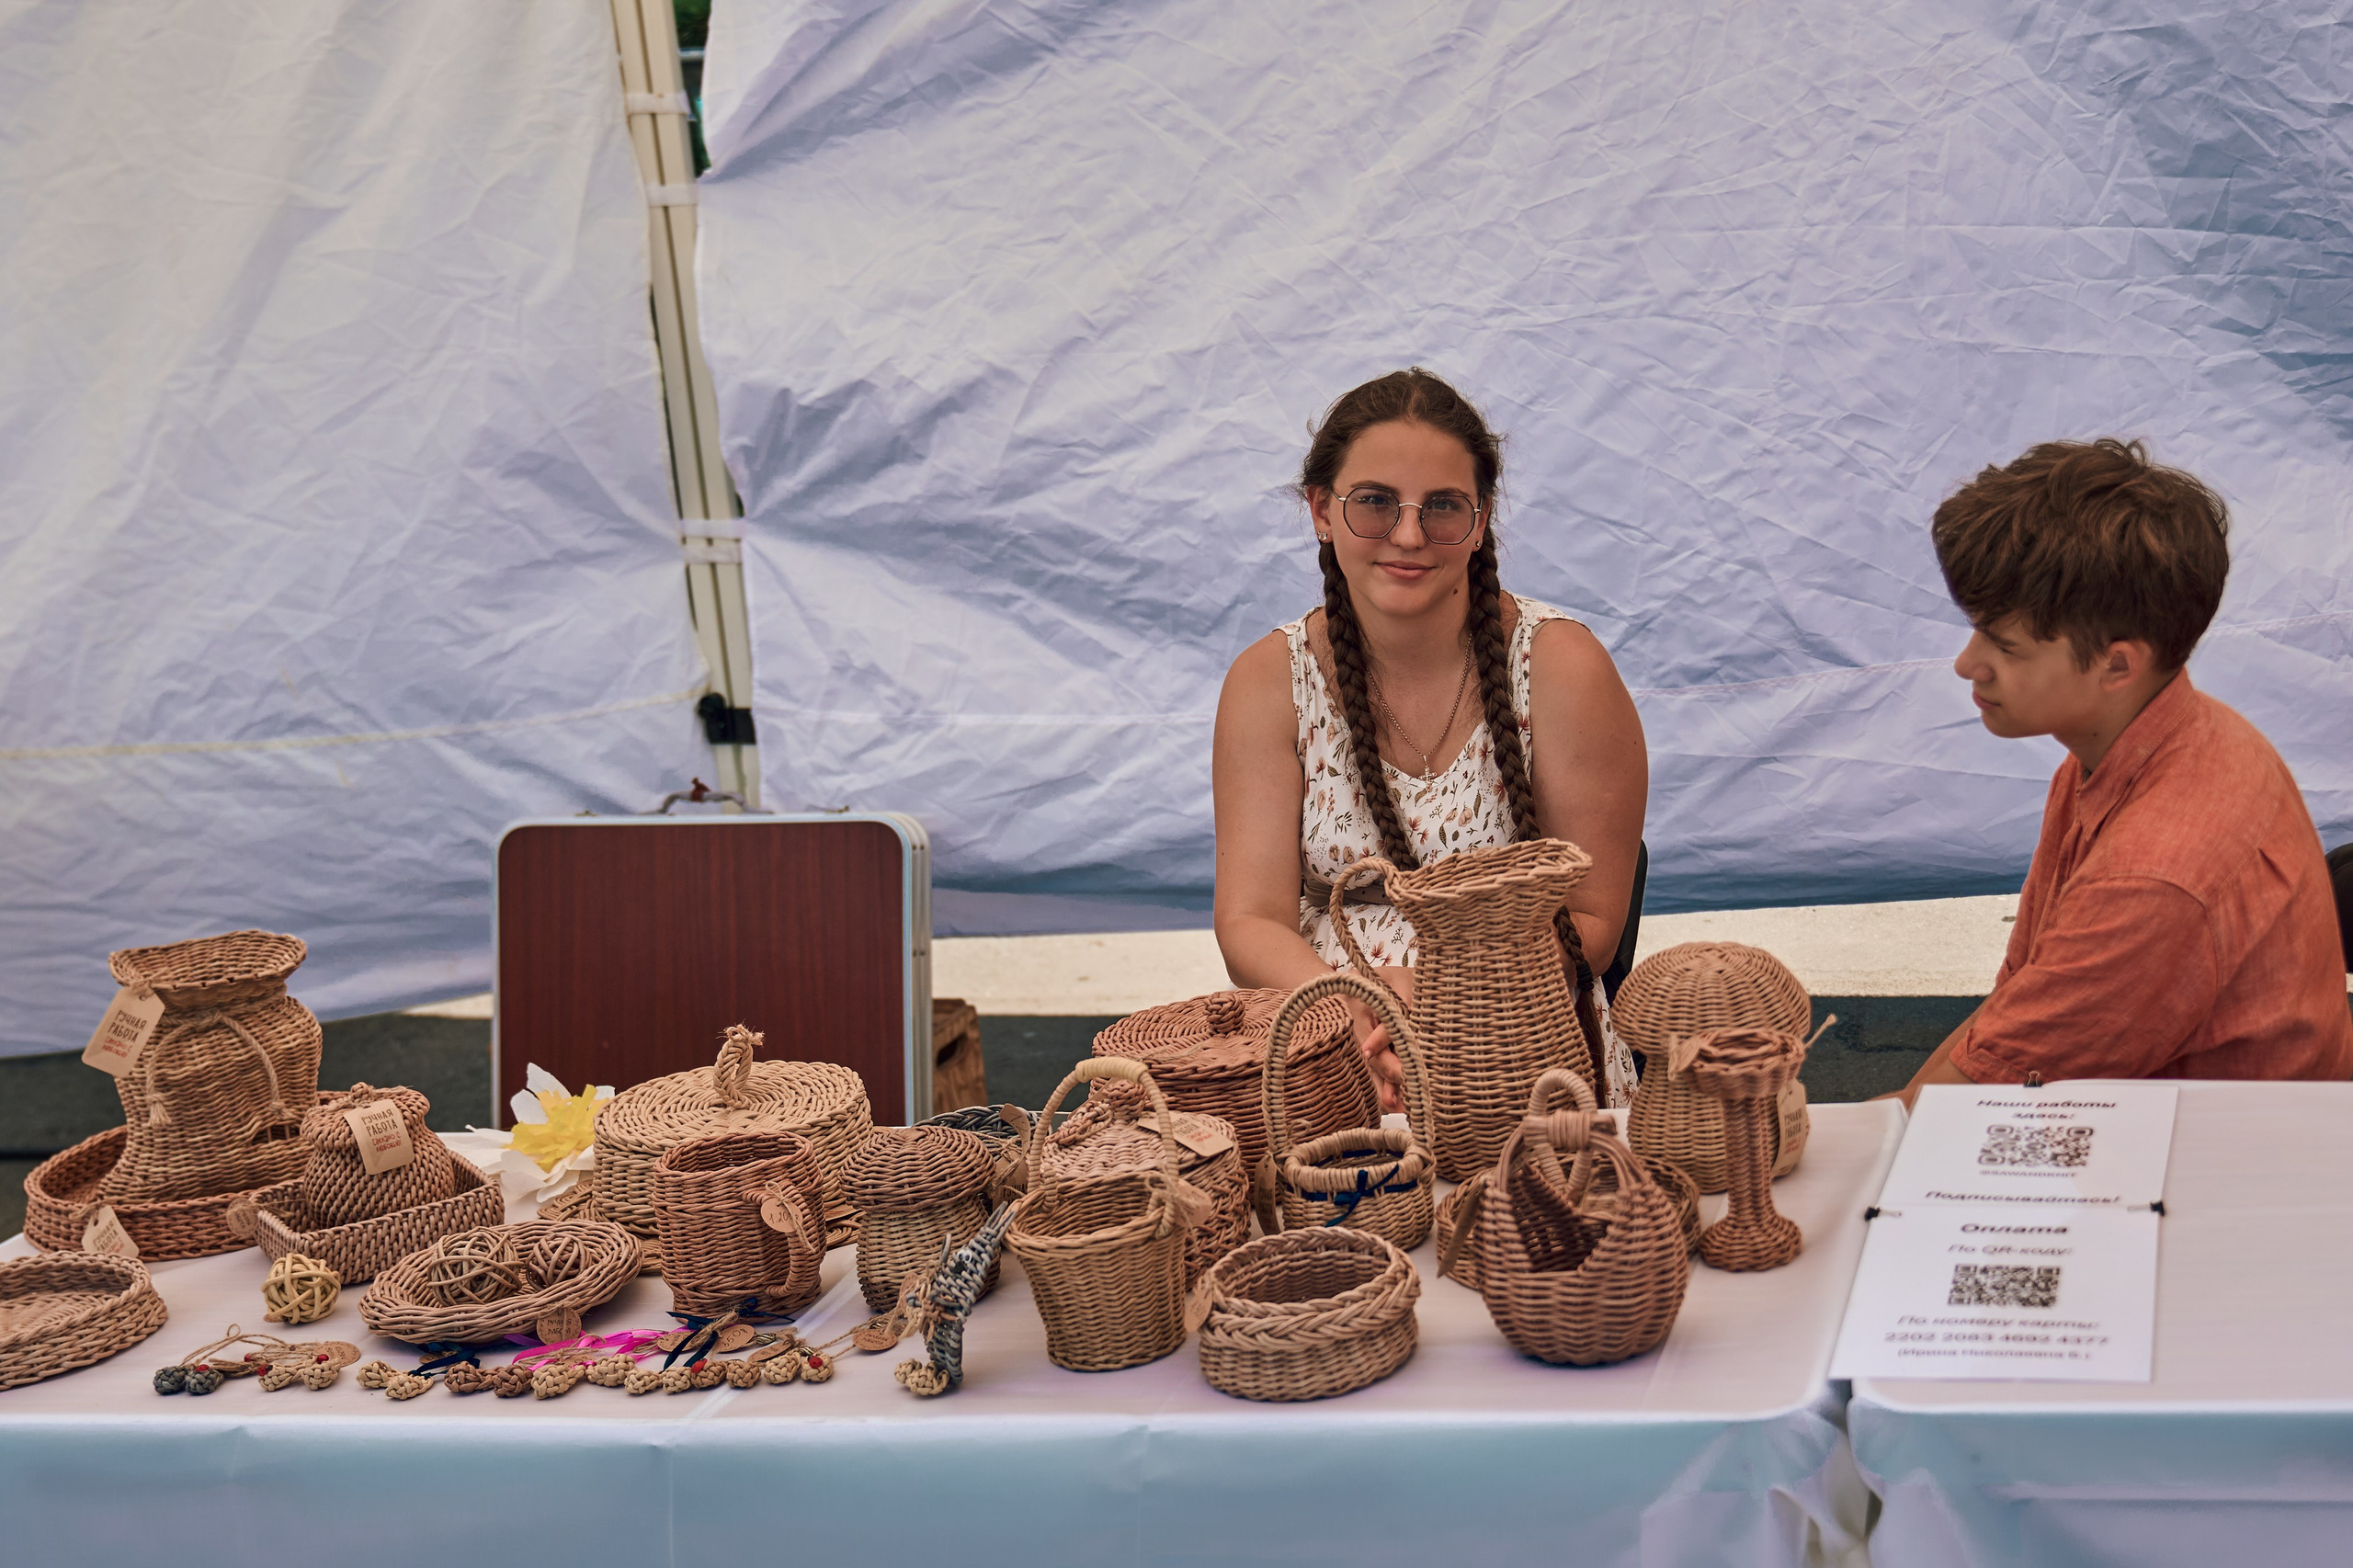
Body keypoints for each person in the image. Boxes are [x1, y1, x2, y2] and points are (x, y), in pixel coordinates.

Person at [1211, 369, 1648, 1109]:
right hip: (1329, 1038)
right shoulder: (1268, 681)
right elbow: (1250, 919)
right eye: (1375, 502)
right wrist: (1355, 1002)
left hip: (1524, 1039)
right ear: (1321, 509)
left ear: (1479, 522)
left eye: (1442, 507)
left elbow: (1595, 922)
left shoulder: (1562, 667)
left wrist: (1448, 1000)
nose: (1409, 535)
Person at [1896, 438, 2353, 1106]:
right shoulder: (2168, 736)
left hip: (2227, 1171)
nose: (1968, 664)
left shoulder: (2154, 873)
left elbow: (1975, 1102)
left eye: (2003, 644)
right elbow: (2010, 1021)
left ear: (2118, 665)